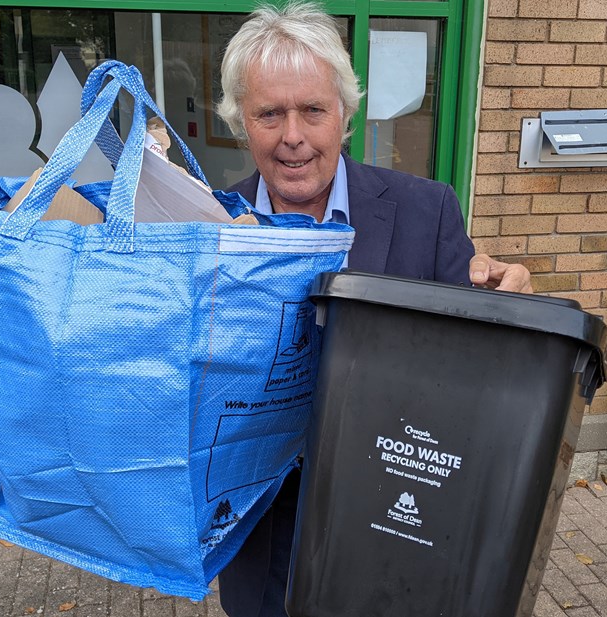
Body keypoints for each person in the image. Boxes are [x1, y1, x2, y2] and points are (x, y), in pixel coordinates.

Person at [214, 3, 532, 616]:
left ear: (344, 114)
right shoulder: (207, 227)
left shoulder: (426, 210)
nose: (293, 136)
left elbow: (473, 374)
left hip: (395, 516)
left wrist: (506, 307)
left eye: (312, 109)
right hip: (260, 528)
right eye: (268, 113)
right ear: (241, 122)